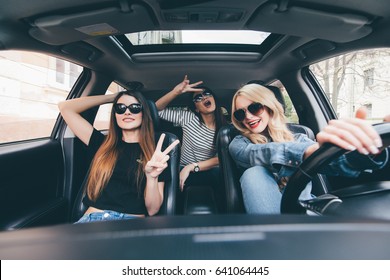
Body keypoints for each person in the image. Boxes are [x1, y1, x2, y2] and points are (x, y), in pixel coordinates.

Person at [229, 83, 388, 214]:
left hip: (304, 212)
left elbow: (333, 163)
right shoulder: (238, 143)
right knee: (254, 172)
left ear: (269, 106)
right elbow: (258, 153)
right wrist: (306, 153)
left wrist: (366, 149)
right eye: (240, 114)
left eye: (255, 107)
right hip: (270, 227)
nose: (248, 117)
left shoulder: (299, 138)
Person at [58, 90, 179, 223]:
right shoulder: (101, 143)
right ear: (115, 115)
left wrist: (152, 177)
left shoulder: (156, 153)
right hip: (93, 219)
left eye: (135, 108)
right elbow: (65, 107)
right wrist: (113, 98)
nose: (127, 112)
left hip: (131, 223)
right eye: (120, 108)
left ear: (144, 113)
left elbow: (153, 210)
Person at [156, 75, 227, 193]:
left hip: (207, 169)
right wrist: (175, 92)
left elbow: (221, 158)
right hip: (182, 167)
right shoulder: (189, 118)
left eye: (207, 93)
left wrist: (192, 167)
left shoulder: (225, 128)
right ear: (196, 109)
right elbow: (157, 110)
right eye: (198, 97)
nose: (204, 97)